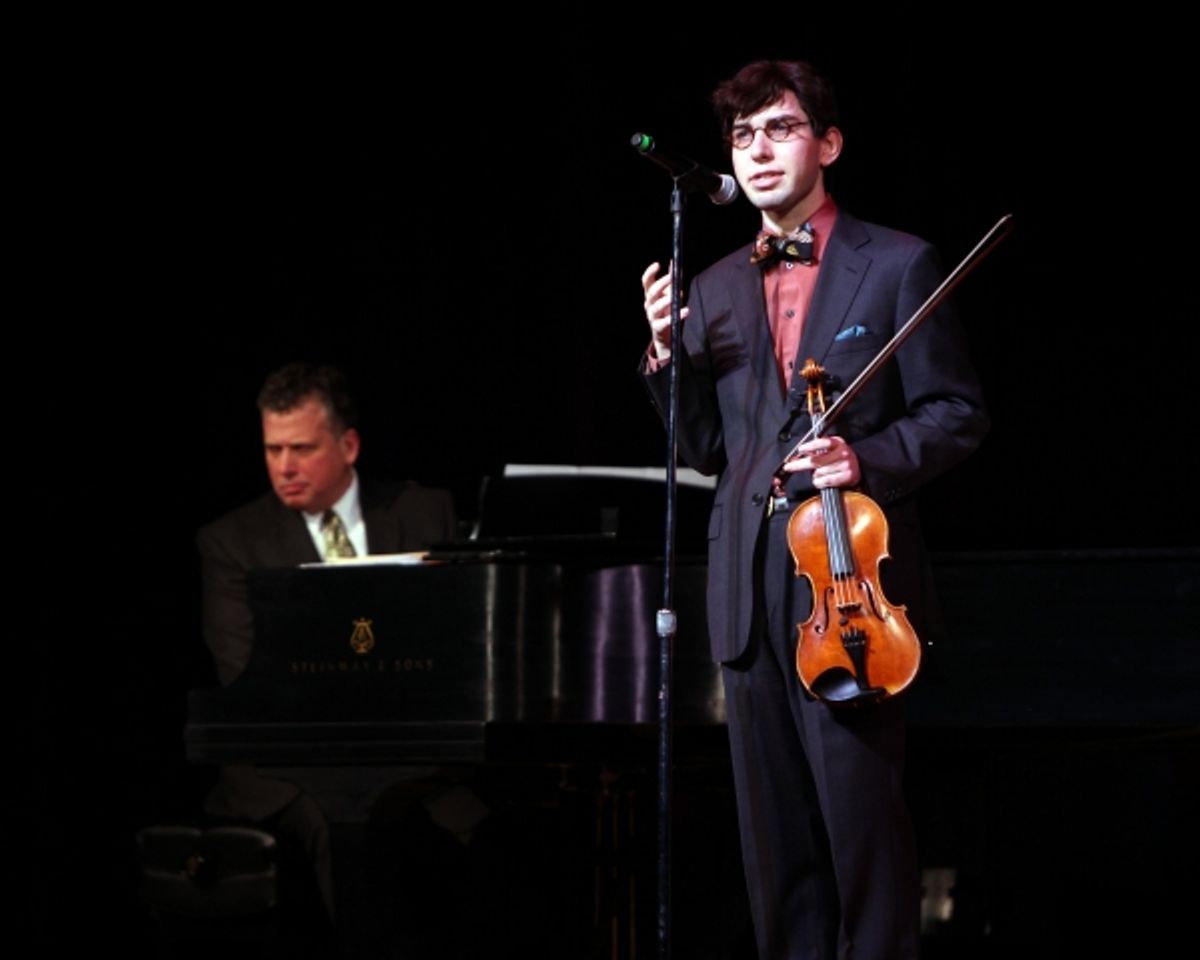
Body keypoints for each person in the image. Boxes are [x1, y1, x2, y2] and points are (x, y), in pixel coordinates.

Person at [640, 60, 989, 959]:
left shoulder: (898, 262)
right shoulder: (712, 285)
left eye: (781, 128)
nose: (758, 151)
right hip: (745, 595)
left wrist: (861, 455)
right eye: (742, 135)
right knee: (777, 857)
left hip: (848, 581)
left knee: (864, 840)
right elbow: (708, 450)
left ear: (828, 144)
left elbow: (957, 412)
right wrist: (663, 358)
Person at [195, 361, 457, 935]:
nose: (283, 467)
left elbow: (455, 646)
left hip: (411, 748)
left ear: (349, 445)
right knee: (344, 826)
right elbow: (244, 672)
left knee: (488, 825)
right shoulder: (231, 543)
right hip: (285, 763)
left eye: (302, 448)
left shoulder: (424, 513)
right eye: (273, 449)